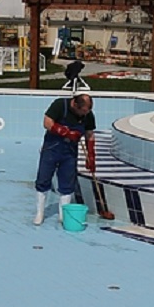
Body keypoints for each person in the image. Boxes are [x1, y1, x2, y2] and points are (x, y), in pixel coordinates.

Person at [33, 93, 96, 225]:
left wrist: (90, 155)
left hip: (70, 153)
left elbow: (89, 134)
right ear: (74, 104)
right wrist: (65, 132)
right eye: (82, 111)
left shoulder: (87, 114)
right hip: (52, 148)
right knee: (43, 179)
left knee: (67, 183)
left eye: (87, 112)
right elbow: (47, 122)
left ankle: (63, 215)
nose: (84, 115)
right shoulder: (60, 105)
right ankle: (40, 213)